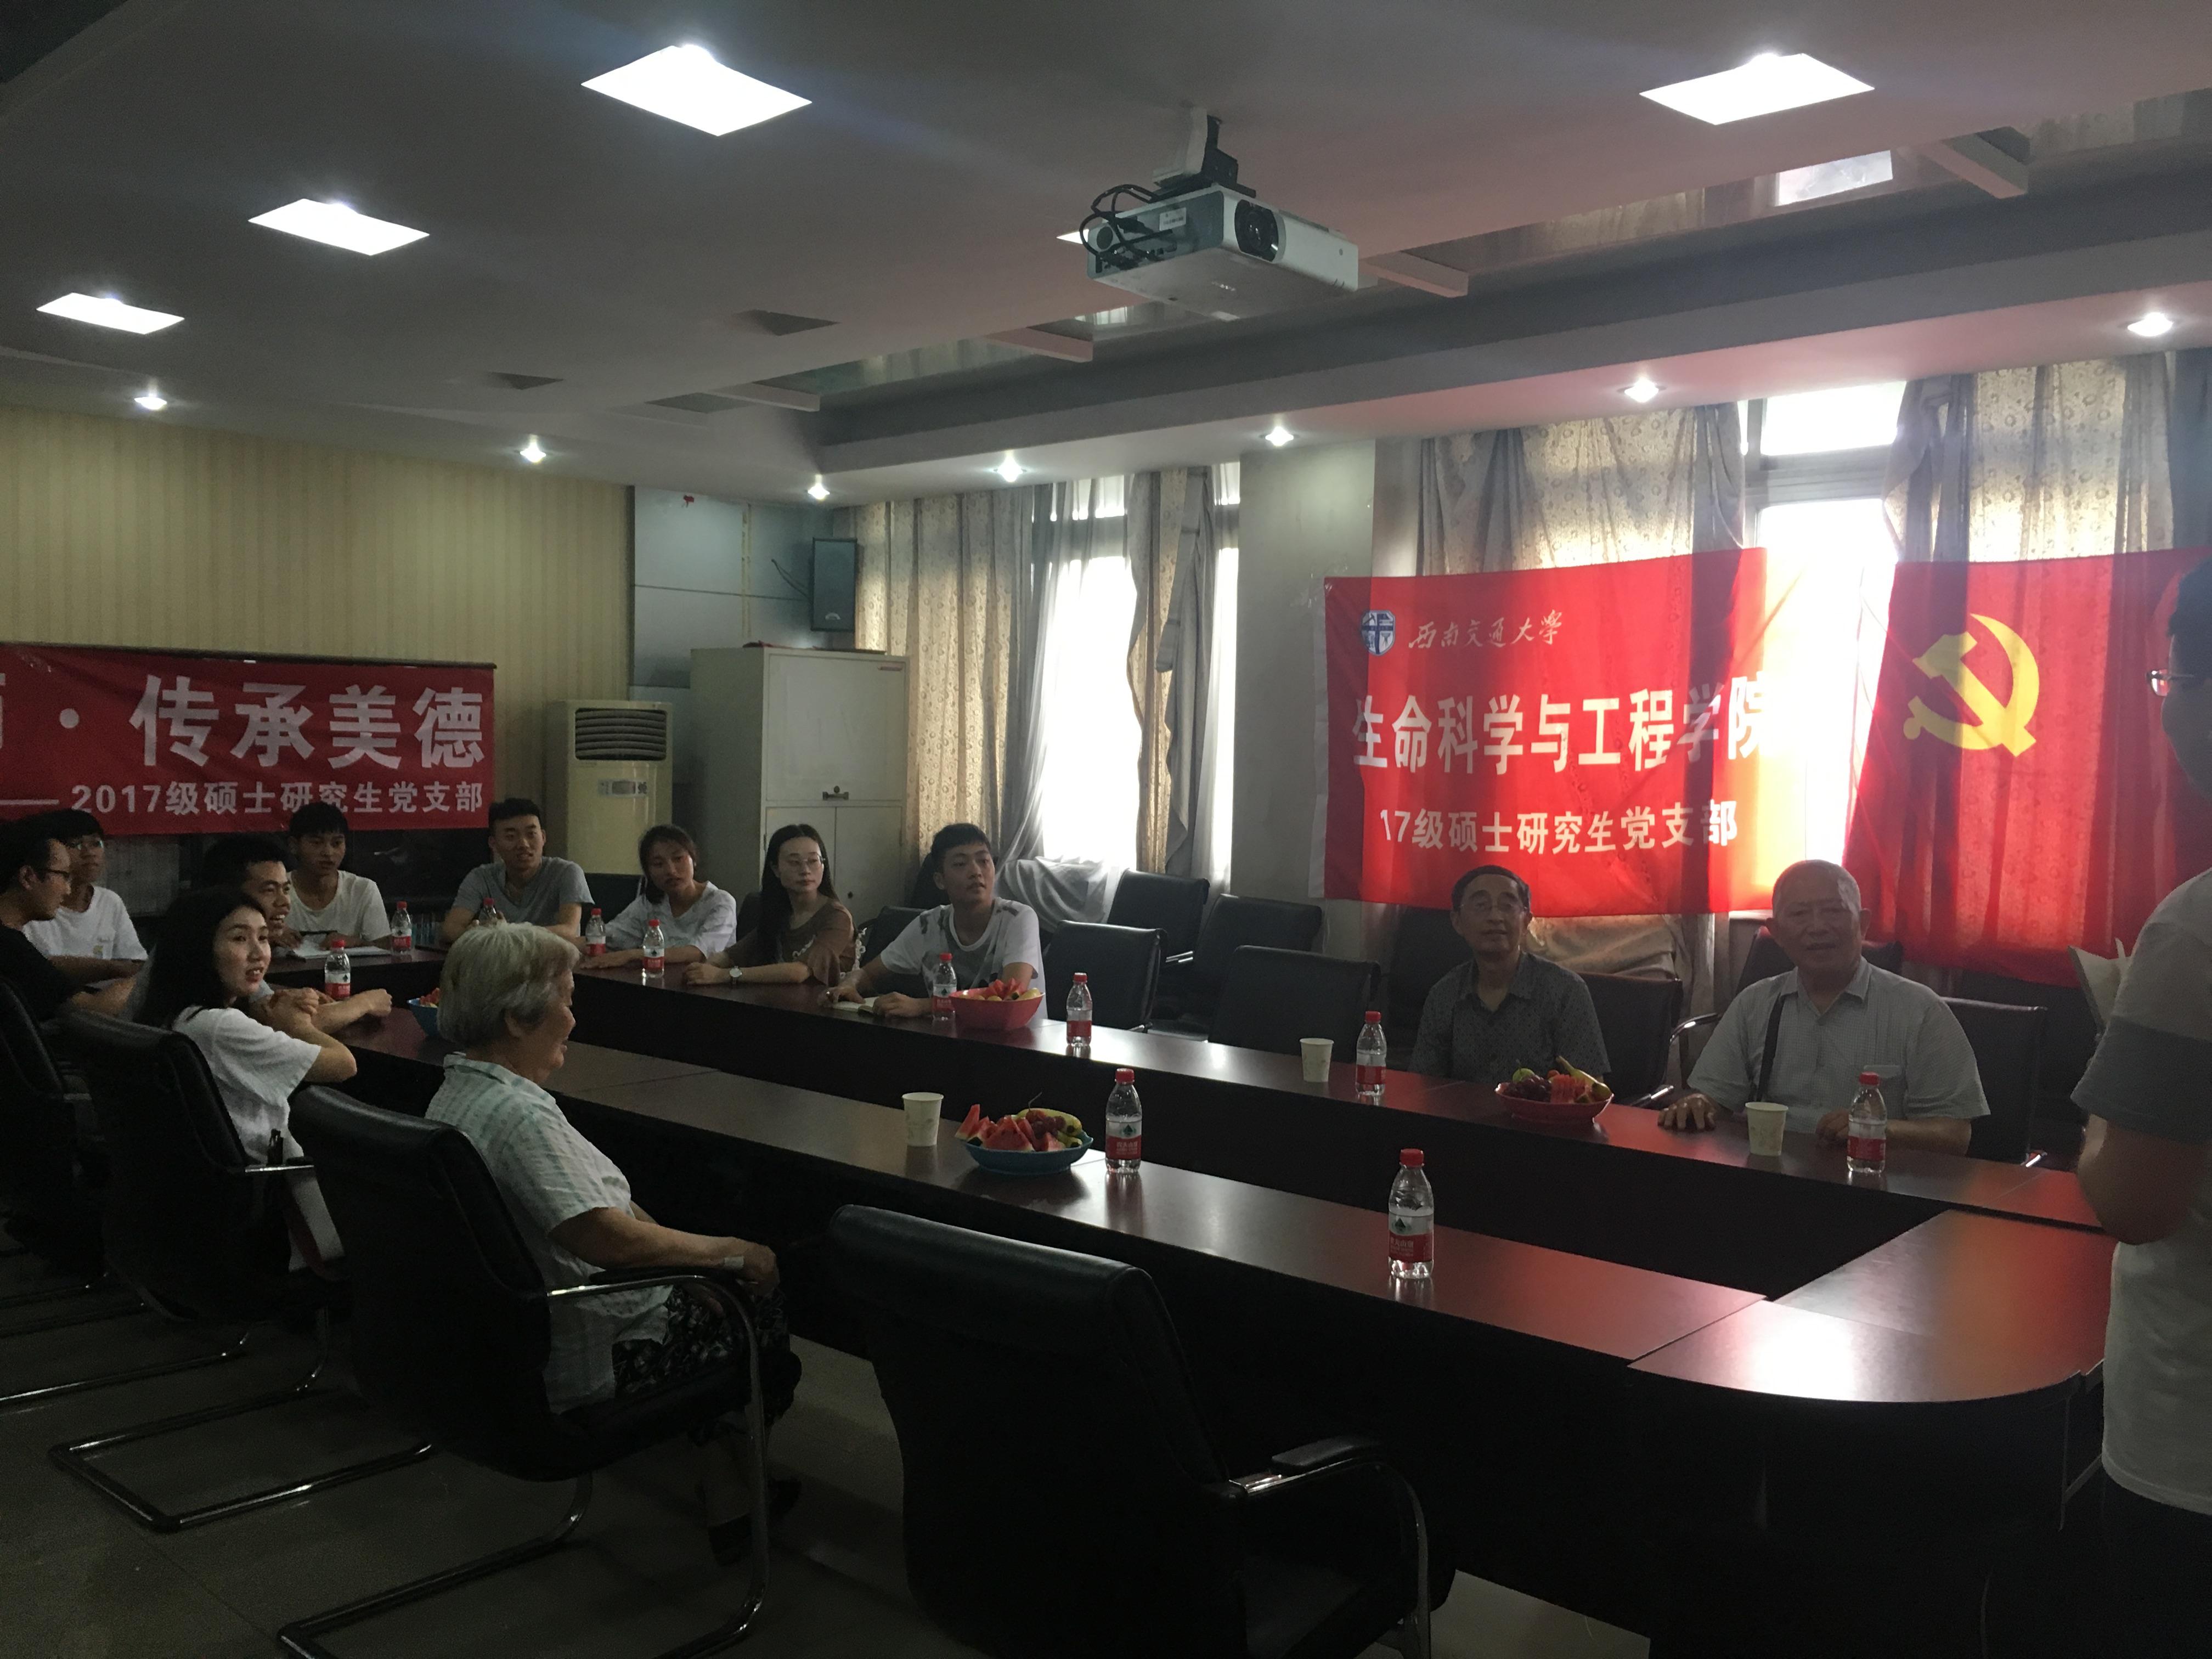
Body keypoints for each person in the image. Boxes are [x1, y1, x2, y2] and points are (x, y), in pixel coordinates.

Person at [425, 923, 800, 1560]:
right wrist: (730, 1253)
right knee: (756, 1303)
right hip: (583, 1347)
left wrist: (689, 1266)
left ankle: (730, 1485)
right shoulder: (518, 1118)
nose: (573, 1019)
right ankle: (735, 1490)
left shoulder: (461, 1093)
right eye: (566, 1000)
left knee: (715, 1293)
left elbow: (605, 1210)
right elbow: (606, 1239)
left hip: (504, 1341)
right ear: (516, 1019)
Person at [2072, 558, 2212, 1657]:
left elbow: (2134, 1200)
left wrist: (2101, 1114)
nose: (2166, 715)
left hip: (2191, 1454)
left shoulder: (2196, 930)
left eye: (2171, 683)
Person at [1657, 860, 1986, 1152]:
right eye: (1799, 914)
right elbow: (1715, 1098)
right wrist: (1698, 1104)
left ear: (1863, 924)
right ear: (1777, 932)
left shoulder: (1921, 1012)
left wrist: (1877, 1130)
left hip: (1872, 1179)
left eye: (1834, 911)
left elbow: (1956, 1134)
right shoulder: (1754, 1004)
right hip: (1771, 1172)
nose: (1817, 927)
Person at [134, 884, 355, 1265]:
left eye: (264, 938)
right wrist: (296, 1024)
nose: (259, 953)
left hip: (201, 1201)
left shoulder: (173, 1016)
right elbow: (343, 1065)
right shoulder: (219, 1027)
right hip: (274, 1202)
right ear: (198, 949)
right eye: (240, 939)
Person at [144, 836, 392, 1035]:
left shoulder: (198, 935)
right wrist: (366, 1003)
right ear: (227, 894)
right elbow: (294, 1028)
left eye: (286, 890)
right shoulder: (199, 948)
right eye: (270, 890)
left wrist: (286, 999)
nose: (285, 903)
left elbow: (268, 1009)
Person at [1407, 865, 1610, 1086]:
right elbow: (1423, 1086)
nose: (1495, 917)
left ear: (1526, 921)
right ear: (1457, 922)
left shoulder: (1566, 991)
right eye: (1481, 906)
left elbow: (1590, 1091)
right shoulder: (1444, 995)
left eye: (1507, 906)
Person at [825, 823, 1041, 1018]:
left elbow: (1010, 994)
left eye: (984, 861)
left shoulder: (1018, 918)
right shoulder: (928, 925)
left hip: (1020, 1043)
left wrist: (924, 1006)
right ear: (940, 880)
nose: (976, 872)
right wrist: (849, 984)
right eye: (960, 864)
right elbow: (868, 973)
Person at [686, 823, 855, 988]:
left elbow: (799, 972)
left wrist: (723, 975)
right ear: (776, 869)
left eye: (813, 861)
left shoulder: (837, 917)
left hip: (828, 1004)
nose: (805, 870)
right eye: (794, 862)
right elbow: (730, 955)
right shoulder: (780, 912)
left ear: (823, 866)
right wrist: (707, 968)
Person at [0, 818, 137, 1022]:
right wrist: (148, 979)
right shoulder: (11, 949)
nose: (67, 890)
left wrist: (115, 969)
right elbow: (90, 1012)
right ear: (28, 877)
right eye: (64, 876)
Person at [577, 825, 740, 974]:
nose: (671, 871)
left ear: (694, 860)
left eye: (678, 859)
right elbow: (607, 938)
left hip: (706, 989)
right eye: (658, 864)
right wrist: (565, 944)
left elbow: (698, 952)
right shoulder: (650, 903)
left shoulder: (720, 902)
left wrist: (632, 955)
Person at [439, 798, 590, 947]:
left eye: (531, 834)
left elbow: (568, 931)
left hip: (552, 960)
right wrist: (474, 932)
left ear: (543, 837)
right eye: (511, 837)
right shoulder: (481, 877)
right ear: (493, 844)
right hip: (499, 960)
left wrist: (503, 933)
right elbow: (450, 929)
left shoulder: (567, 873)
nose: (523, 844)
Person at [19, 809, 144, 983]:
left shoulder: (110, 902)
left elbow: (135, 964)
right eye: (76, 844)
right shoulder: (34, 906)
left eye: (96, 844)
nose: (89, 853)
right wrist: (110, 968)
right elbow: (33, 969)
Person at [285, 802, 401, 947]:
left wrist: (356, 942)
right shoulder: (275, 890)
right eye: (316, 843)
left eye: (337, 843)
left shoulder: (363, 889)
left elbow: (385, 947)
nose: (328, 853)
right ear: (294, 846)